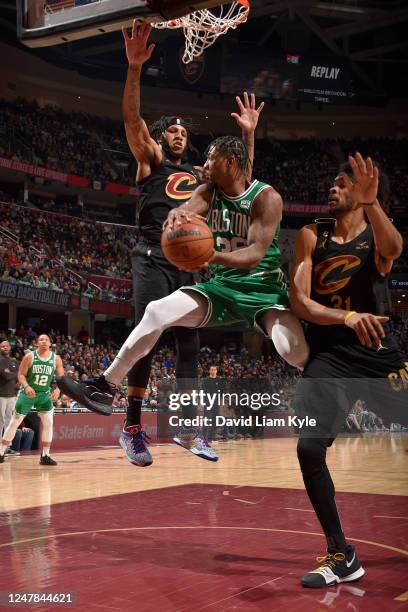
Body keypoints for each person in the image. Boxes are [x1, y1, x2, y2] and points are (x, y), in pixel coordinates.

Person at [69, 19, 264, 468]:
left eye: (183, 131)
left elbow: (243, 184)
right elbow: (131, 120)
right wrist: (134, 68)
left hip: (191, 261)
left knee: (191, 346)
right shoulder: (152, 162)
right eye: (172, 130)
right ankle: (133, 428)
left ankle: (190, 427)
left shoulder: (202, 175)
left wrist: (249, 135)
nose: (179, 134)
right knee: (149, 337)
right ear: (161, 138)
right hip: (151, 255)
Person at [57, 135, 309, 429]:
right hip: (222, 288)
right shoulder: (208, 191)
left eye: (212, 159)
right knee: (156, 312)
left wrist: (212, 256)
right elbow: (188, 209)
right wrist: (176, 216)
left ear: (230, 162)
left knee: (292, 353)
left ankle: (323, 384)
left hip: (264, 290)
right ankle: (104, 386)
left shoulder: (267, 198)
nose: (205, 164)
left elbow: (254, 254)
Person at [290, 152, 407, 588]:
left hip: (379, 357)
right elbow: (300, 301)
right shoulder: (310, 234)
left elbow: (394, 250)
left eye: (343, 182)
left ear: (362, 192)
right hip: (331, 357)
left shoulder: (376, 234)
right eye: (334, 182)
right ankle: (341, 554)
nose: (333, 187)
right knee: (308, 449)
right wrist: (346, 317)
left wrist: (374, 204)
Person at [0, 334, 64, 466]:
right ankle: (1, 452)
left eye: (46, 339)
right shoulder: (29, 356)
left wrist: (58, 389)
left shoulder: (56, 359)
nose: (44, 341)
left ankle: (45, 455)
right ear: (37, 343)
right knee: (14, 422)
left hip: (44, 394)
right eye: (41, 339)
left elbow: (61, 377)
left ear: (50, 343)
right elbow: (21, 375)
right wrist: (26, 386)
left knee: (48, 423)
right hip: (27, 393)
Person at [0, 340, 19, 448]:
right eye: (2, 346)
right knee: (0, 421)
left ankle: (7, 446)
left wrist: (12, 373)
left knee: (9, 421)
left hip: (12, 395)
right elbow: (5, 376)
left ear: (10, 347)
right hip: (1, 394)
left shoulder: (14, 361)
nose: (5, 348)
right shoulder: (0, 360)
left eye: (6, 346)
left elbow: (18, 375)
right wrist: (14, 373)